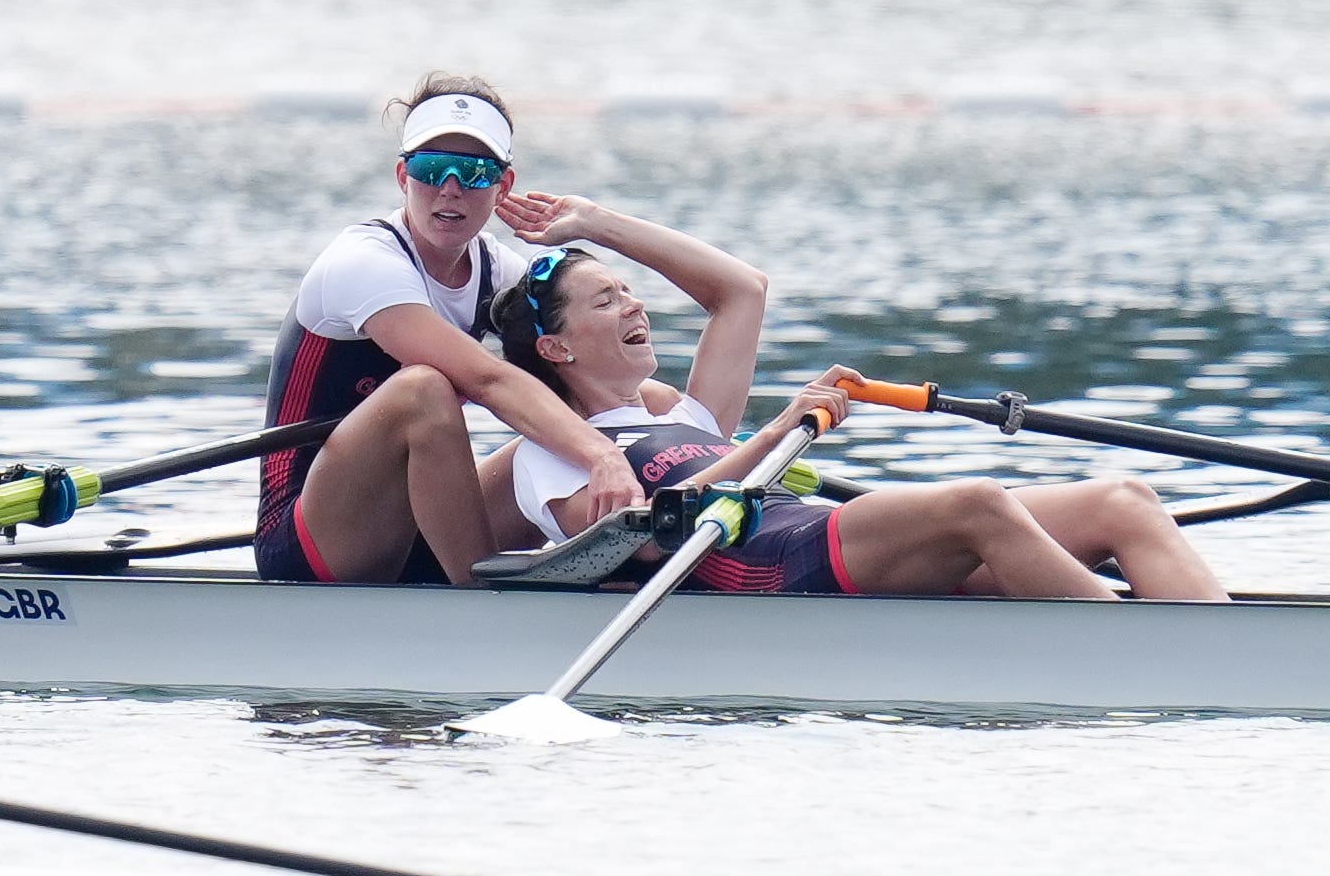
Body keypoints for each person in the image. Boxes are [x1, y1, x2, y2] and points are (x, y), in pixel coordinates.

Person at [488, 191, 1230, 602]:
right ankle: (1141, 644)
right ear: (555, 348)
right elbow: (635, 543)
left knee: (1123, 498)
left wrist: (596, 224)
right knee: (975, 502)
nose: (634, 307)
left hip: (823, 533)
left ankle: (1221, 640)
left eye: (628, 292)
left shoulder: (683, 415)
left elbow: (742, 292)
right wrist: (779, 431)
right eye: (605, 303)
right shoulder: (547, 453)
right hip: (765, 565)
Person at [255, 73, 642, 585]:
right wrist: (601, 455)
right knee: (424, 389)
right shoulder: (363, 263)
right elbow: (488, 381)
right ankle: (478, 598)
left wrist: (594, 224)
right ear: (403, 177)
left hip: (414, 525)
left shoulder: (497, 270)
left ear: (503, 185)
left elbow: (585, 359)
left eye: (475, 171)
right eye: (432, 168)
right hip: (309, 537)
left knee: (627, 396)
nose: (451, 189)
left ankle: (649, 551)